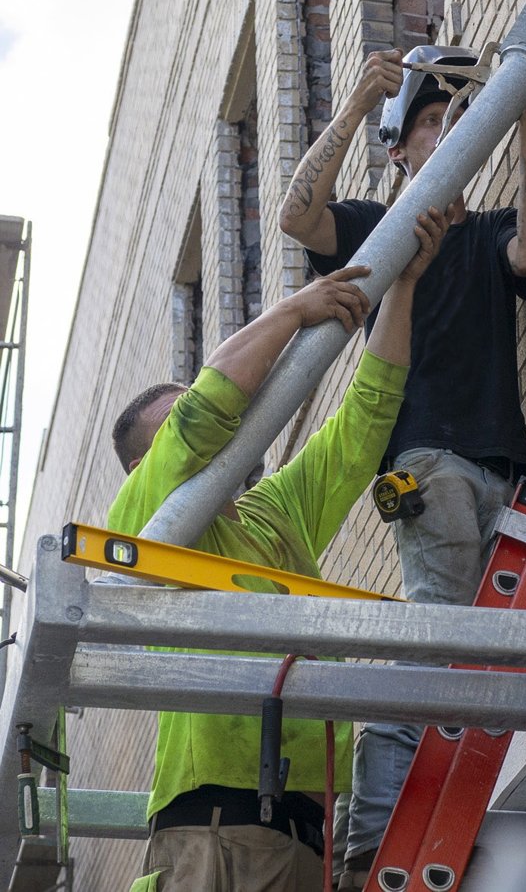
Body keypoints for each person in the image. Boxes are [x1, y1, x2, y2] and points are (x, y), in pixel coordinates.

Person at [279, 44, 526, 890]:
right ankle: (371, 839)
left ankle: (414, 830)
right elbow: (298, 219)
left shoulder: (482, 235)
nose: (447, 134)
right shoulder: (381, 229)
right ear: (401, 149)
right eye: (430, 123)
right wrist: (353, 107)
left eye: (459, 120)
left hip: (503, 471)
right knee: (436, 633)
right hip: (425, 463)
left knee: (473, 662)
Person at [111, 209, 449, 892]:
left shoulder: (271, 514)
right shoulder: (143, 520)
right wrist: (295, 309)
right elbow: (206, 409)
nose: (228, 431)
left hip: (304, 838)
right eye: (177, 429)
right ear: (148, 465)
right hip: (218, 836)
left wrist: (404, 286)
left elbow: (361, 426)